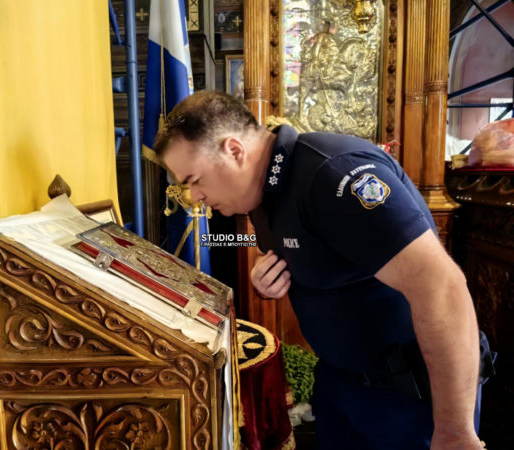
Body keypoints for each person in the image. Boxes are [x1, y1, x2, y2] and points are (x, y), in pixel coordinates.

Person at [154, 90, 488, 449]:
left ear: (234, 150)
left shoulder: (334, 175)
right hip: (341, 385)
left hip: (412, 398)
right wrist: (268, 279)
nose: (194, 197)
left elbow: (443, 287)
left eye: (194, 180)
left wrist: (455, 430)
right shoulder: (261, 194)